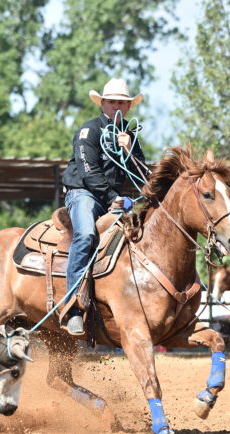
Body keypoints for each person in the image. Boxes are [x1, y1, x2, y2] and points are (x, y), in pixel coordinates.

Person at [61, 78, 147, 336]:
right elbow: (88, 172)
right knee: (86, 235)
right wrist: (113, 197)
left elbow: (142, 176)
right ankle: (72, 308)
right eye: (112, 102)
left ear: (129, 106)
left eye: (122, 102)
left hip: (113, 198)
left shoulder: (130, 137)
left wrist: (130, 150)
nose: (116, 106)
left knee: (141, 238)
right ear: (103, 104)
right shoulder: (89, 131)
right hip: (83, 194)